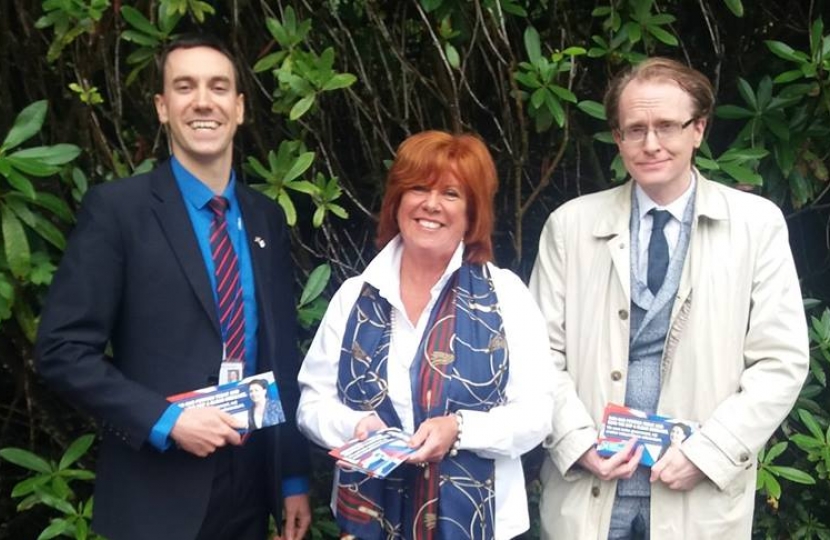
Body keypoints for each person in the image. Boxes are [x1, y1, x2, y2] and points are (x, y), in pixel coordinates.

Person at [36, 34, 311, 540]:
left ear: (240, 108)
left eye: (218, 87)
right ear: (164, 108)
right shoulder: (117, 211)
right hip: (157, 493)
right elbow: (61, 349)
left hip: (252, 485)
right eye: (185, 87)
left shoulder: (265, 218)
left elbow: (279, 357)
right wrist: (165, 421)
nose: (203, 101)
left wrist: (291, 475)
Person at [529, 57, 809, 539]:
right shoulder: (570, 226)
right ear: (617, 139)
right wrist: (576, 443)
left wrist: (709, 454)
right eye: (635, 129)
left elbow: (780, 361)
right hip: (592, 487)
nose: (651, 144)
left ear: (698, 129)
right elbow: (537, 354)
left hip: (695, 492)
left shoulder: (756, 226)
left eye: (667, 126)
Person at [297, 130, 556, 539]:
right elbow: (312, 403)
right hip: (369, 522)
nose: (431, 204)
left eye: (451, 193)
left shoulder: (506, 295)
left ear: (473, 213)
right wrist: (356, 425)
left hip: (481, 526)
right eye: (418, 188)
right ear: (397, 201)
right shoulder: (354, 297)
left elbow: (537, 414)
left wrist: (460, 429)